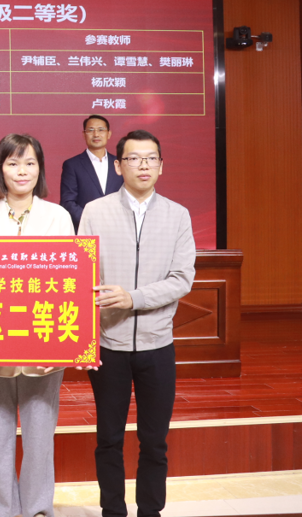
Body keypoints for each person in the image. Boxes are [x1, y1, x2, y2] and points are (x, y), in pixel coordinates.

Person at [79, 130, 195, 517]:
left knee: (154, 441)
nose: (143, 165)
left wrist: (134, 297)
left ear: (161, 166)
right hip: (108, 345)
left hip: (157, 345)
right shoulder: (95, 211)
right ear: (118, 166)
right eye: (133, 158)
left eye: (150, 158)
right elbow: (81, 277)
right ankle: (113, 511)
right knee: (108, 438)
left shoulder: (178, 215)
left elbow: (182, 279)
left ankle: (150, 511)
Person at [0, 133, 75, 517]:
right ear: (0, 169)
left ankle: (38, 508)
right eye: (13, 163)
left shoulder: (57, 216)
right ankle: (1, 509)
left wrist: (62, 344)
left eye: (29, 163)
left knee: (40, 436)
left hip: (44, 342)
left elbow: (70, 281)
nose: (21, 171)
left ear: (40, 169)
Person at [60, 114, 123, 232]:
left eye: (101, 130)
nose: (96, 134)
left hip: (118, 230)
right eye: (90, 130)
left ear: (109, 134)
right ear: (84, 134)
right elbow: (68, 202)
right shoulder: (72, 165)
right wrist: (91, 221)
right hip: (86, 231)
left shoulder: (120, 163)